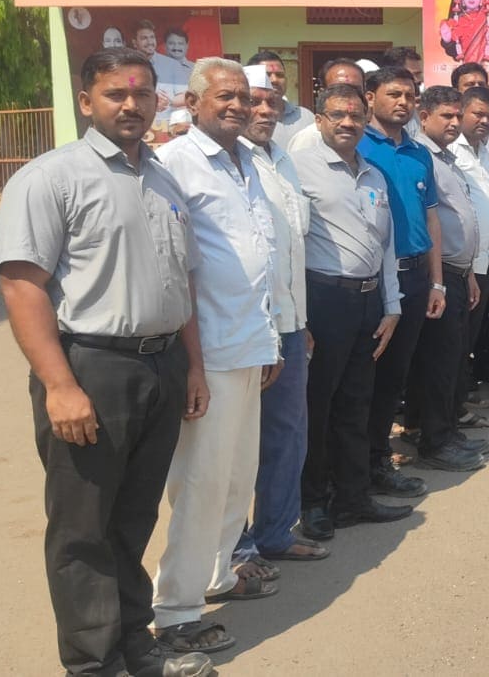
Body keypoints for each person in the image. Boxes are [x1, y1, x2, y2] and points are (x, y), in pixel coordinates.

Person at [0, 48, 215, 677]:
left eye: (142, 94)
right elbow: (22, 285)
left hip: (161, 366)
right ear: (87, 101)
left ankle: (134, 646)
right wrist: (59, 385)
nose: (131, 105)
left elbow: (183, 282)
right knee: (83, 526)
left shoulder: (164, 179)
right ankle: (93, 663)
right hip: (91, 369)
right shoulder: (51, 177)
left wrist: (192, 367)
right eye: (116, 94)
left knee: (133, 518)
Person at [152, 58, 282, 654]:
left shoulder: (248, 160)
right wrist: (194, 364)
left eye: (243, 97)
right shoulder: (176, 162)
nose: (237, 106)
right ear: (193, 102)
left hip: (250, 342)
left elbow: (261, 255)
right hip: (209, 350)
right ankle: (176, 610)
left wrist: (271, 339)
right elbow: (175, 266)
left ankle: (217, 574)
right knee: (202, 482)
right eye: (224, 96)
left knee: (237, 476)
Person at [292, 83, 413, 545]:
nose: (347, 122)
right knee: (317, 406)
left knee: (356, 404)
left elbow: (386, 246)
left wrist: (392, 304)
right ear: (319, 119)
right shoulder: (298, 168)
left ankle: (353, 497)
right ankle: (312, 502)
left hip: (368, 303)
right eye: (337, 115)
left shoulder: (373, 175)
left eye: (356, 116)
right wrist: (299, 317)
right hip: (324, 300)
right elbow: (291, 246)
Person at [232, 65, 329, 584]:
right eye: (254, 101)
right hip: (243, 328)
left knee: (287, 434)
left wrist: (301, 320)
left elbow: (292, 248)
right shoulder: (222, 163)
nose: (264, 110)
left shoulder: (283, 160)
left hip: (290, 326)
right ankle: (235, 548)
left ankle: (275, 532)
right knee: (235, 444)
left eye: (272, 102)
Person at [358, 66, 443, 499]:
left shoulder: (418, 152)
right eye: (394, 94)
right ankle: (354, 470)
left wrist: (437, 282)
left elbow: (431, 218)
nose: (403, 102)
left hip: (414, 276)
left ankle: (378, 462)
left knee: (394, 377)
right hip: (371, 280)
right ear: (370, 97)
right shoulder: (356, 145)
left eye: (410, 95)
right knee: (363, 380)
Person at [407, 86, 487, 472]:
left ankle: (444, 430)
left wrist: (468, 273)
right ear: (423, 117)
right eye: (446, 116)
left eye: (458, 115)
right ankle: (434, 442)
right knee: (438, 362)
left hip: (458, 272)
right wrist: (438, 281)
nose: (455, 123)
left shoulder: (448, 157)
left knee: (452, 359)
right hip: (436, 275)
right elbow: (430, 222)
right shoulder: (422, 156)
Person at [450, 85, 489, 416]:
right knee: (454, 343)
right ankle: (451, 412)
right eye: (478, 114)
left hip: (485, 262)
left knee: (468, 340)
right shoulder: (451, 151)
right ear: (462, 112)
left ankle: (460, 401)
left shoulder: (484, 150)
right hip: (462, 265)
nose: (484, 121)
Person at [286, 59, 367, 153]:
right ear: (322, 93)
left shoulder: (364, 134)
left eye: (355, 90)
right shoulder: (309, 139)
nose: (347, 94)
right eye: (338, 89)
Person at [251, 51, 312, 147]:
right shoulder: (245, 118)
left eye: (280, 75)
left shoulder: (306, 117)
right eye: (267, 75)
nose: (274, 80)